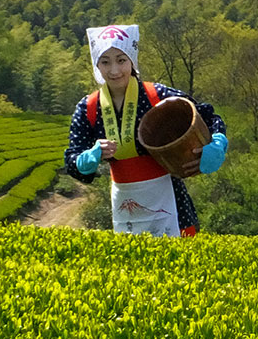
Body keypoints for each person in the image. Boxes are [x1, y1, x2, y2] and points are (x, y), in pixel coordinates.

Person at [64, 24, 228, 237]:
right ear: (97, 64)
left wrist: (217, 143)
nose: (114, 70)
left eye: (121, 60)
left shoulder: (157, 95)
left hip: (171, 200)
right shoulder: (88, 108)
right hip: (123, 199)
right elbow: (72, 159)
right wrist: (87, 159)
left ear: (132, 60)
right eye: (105, 62)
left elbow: (208, 116)